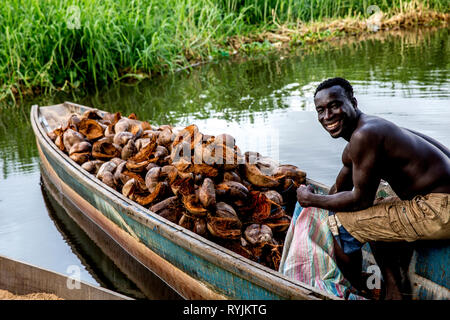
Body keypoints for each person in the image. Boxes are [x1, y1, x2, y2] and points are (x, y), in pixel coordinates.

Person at [296, 77, 450, 299]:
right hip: (438, 201)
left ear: (354, 103)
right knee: (374, 204)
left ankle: (363, 290)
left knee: (341, 225)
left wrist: (310, 200)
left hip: (440, 210)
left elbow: (360, 201)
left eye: (334, 106)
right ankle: (394, 290)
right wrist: (317, 203)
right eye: (321, 110)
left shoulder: (364, 136)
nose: (327, 116)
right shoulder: (367, 132)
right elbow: (339, 189)